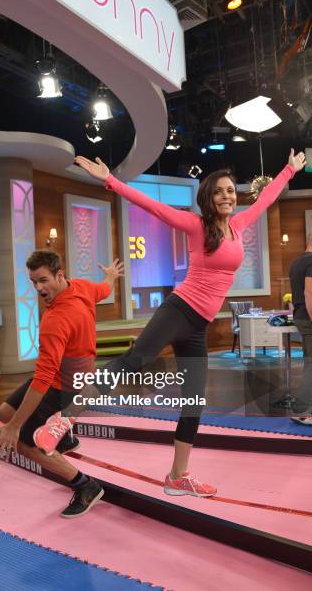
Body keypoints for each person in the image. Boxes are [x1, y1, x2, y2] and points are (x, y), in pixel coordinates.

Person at [34, 149, 306, 497]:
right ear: (208, 197)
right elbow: (155, 208)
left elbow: (265, 199)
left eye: (230, 191)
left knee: (194, 402)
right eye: (219, 191)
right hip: (179, 309)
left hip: (198, 325)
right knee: (134, 361)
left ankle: (178, 476)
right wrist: (111, 181)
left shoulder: (238, 226)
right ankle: (63, 420)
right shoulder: (196, 226)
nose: (227, 196)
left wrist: (289, 170)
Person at [0, 249, 124, 517]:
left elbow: (41, 379)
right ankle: (64, 437)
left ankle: (85, 486)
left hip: (68, 388)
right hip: (65, 378)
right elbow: (103, 290)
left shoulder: (55, 320)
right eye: (33, 282)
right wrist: (111, 277)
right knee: (5, 412)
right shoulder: (81, 287)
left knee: (25, 442)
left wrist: (15, 429)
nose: (38, 288)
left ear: (59, 275)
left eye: (43, 280)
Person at [289, 231, 312, 425]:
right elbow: (309, 293)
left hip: (300, 316)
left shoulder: (297, 262)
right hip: (309, 318)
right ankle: (302, 411)